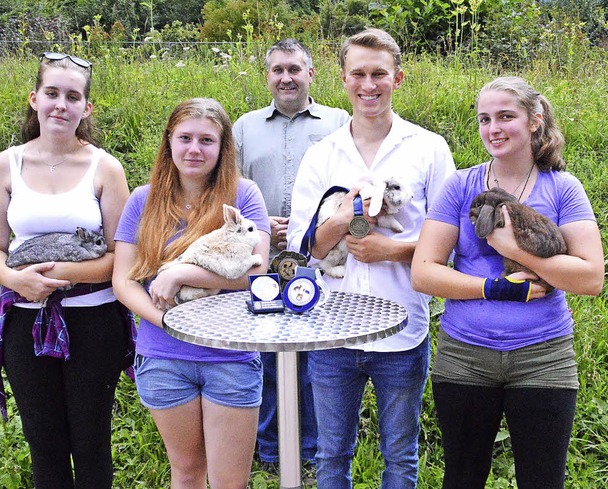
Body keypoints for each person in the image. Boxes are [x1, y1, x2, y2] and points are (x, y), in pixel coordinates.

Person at [410, 76, 604, 488]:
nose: (492, 128)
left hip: (544, 357)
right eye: (484, 119)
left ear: (534, 122)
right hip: (465, 356)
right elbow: (424, 271)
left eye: (505, 116)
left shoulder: (562, 188)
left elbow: (590, 277)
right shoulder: (460, 186)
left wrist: (515, 250)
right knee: (462, 477)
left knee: (542, 479)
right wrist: (494, 287)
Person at [286, 28, 456, 488]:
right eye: (358, 73)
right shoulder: (322, 155)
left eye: (379, 73)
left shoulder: (429, 149)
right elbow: (306, 250)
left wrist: (394, 250)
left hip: (401, 329)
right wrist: (343, 218)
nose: (369, 84)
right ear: (342, 80)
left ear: (398, 78)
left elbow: (451, 246)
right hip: (331, 331)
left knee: (400, 457)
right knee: (330, 456)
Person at [0, 52, 134, 488]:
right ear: (34, 98)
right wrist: (15, 279)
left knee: (90, 443)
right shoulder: (5, 165)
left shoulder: (105, 168)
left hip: (94, 321)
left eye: (72, 96)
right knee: (43, 444)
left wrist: (61, 275)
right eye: (51, 93)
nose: (60, 105)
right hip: (23, 323)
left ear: (87, 107)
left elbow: (122, 258)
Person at [112, 98, 271, 488]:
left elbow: (257, 274)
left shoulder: (244, 195)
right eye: (184, 138)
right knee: (186, 473)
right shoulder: (142, 200)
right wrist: (168, 320)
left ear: (223, 148)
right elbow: (124, 282)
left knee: (230, 481)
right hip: (164, 356)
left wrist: (182, 272)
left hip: (229, 356)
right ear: (169, 142)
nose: (194, 149)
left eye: (206, 140)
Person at [232, 38, 349, 471]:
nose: (286, 77)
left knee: (317, 357)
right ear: (268, 76)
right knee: (264, 353)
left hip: (320, 257)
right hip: (262, 256)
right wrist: (264, 223)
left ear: (311, 74)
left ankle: (313, 448)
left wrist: (307, 228)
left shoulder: (339, 122)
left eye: (295, 69)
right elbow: (232, 188)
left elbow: (350, 186)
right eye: (278, 69)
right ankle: (268, 450)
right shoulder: (244, 127)